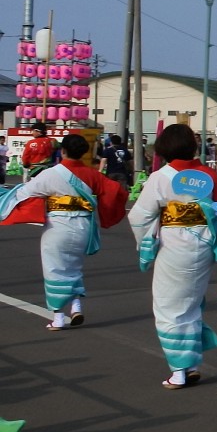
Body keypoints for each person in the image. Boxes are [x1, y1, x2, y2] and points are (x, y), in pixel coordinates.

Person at [129, 124, 217, 388]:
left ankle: (180, 368)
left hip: (173, 243)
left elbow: (139, 216)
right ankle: (191, 363)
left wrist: (146, 243)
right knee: (190, 302)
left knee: (168, 305)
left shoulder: (160, 177)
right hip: (203, 242)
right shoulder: (207, 174)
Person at [0, 132, 125, 327]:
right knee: (74, 268)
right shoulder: (92, 174)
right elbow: (116, 190)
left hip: (58, 226)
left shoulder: (51, 174)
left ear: (63, 151)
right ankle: (76, 307)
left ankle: (58, 317)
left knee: (55, 270)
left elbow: (24, 193)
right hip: (83, 227)